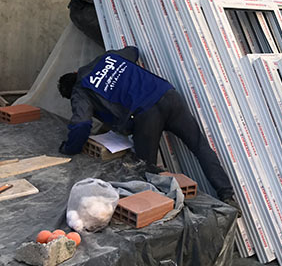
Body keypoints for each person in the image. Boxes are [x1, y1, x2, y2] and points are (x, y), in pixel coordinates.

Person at [57, 46, 237, 206]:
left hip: (146, 116)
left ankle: (161, 208)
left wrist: (70, 148)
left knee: (146, 169)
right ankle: (227, 194)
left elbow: (81, 124)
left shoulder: (80, 91)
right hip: (168, 95)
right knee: (199, 146)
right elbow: (133, 51)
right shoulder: (108, 58)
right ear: (75, 71)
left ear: (71, 93)